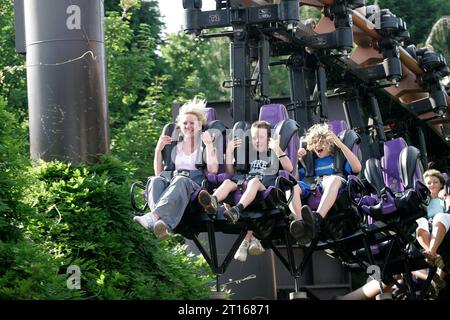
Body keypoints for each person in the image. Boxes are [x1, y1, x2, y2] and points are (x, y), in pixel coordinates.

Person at [197, 120, 299, 262]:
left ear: (268, 138)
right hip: (245, 186)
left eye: (261, 137)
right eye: (254, 137)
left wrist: (277, 149)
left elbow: (289, 169)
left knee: (254, 182)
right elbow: (230, 172)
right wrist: (229, 152)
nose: (257, 141)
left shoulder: (273, 153)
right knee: (228, 182)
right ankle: (212, 201)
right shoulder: (248, 155)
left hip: (265, 190)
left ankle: (237, 210)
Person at [133, 98, 218, 239]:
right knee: (155, 181)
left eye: (192, 123)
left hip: (193, 186)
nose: (188, 126)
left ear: (199, 125)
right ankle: (162, 224)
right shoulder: (175, 146)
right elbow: (159, 173)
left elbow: (213, 170)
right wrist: (158, 150)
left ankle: (153, 217)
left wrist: (209, 145)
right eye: (185, 123)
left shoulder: (204, 144)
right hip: (173, 184)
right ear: (179, 126)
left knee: (180, 180)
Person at [289, 123, 362, 245]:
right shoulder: (311, 164)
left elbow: (357, 168)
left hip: (333, 185)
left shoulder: (337, 160)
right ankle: (302, 225)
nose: (318, 145)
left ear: (330, 143)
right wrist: (296, 159)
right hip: (313, 185)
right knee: (290, 186)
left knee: (333, 179)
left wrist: (340, 144)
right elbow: (296, 178)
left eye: (321, 142)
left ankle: (317, 219)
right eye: (315, 142)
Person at [416, 169, 450, 273]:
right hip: (429, 226)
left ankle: (432, 253)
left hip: (444, 221)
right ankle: (432, 254)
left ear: (441, 184)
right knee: (420, 221)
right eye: (429, 183)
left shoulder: (444, 197)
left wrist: (445, 195)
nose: (432, 185)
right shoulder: (423, 201)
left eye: (435, 182)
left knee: (439, 216)